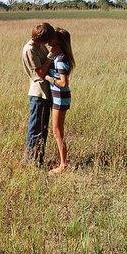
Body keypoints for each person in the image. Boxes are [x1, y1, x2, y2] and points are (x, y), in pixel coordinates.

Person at [21, 22, 58, 168]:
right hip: (39, 93)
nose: (49, 43)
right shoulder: (29, 49)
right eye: (47, 39)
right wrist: (51, 55)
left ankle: (38, 161)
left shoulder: (39, 45)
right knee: (35, 129)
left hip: (45, 92)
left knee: (42, 129)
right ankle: (31, 163)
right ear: (42, 39)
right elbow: (40, 73)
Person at [44, 28, 75, 174]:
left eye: (53, 38)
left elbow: (64, 83)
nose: (49, 39)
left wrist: (49, 78)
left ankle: (63, 165)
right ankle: (63, 162)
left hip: (60, 97)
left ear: (59, 41)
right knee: (57, 131)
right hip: (58, 96)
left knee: (57, 131)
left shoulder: (61, 58)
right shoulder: (58, 55)